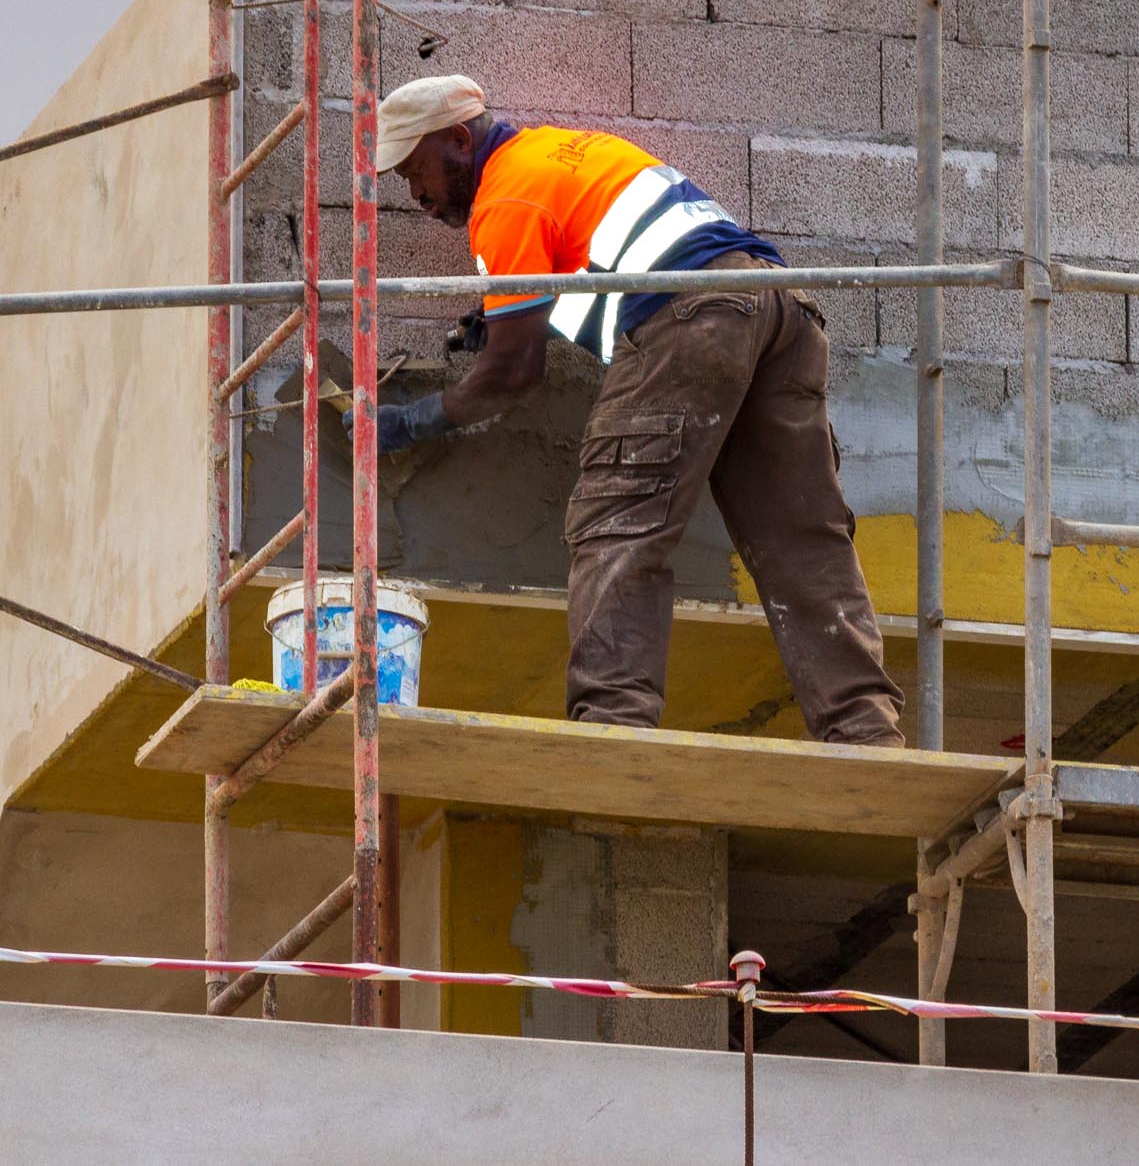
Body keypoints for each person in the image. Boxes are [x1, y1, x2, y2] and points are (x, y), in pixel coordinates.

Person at [362, 74, 904, 747]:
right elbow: (598, 253)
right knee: (801, 538)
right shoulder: (556, 153)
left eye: (417, 172)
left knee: (615, 519)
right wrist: (505, 316)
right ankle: (864, 729)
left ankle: (612, 730)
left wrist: (410, 422)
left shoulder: (504, 199)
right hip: (780, 312)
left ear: (460, 141)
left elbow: (513, 371)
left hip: (694, 317)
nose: (416, 196)